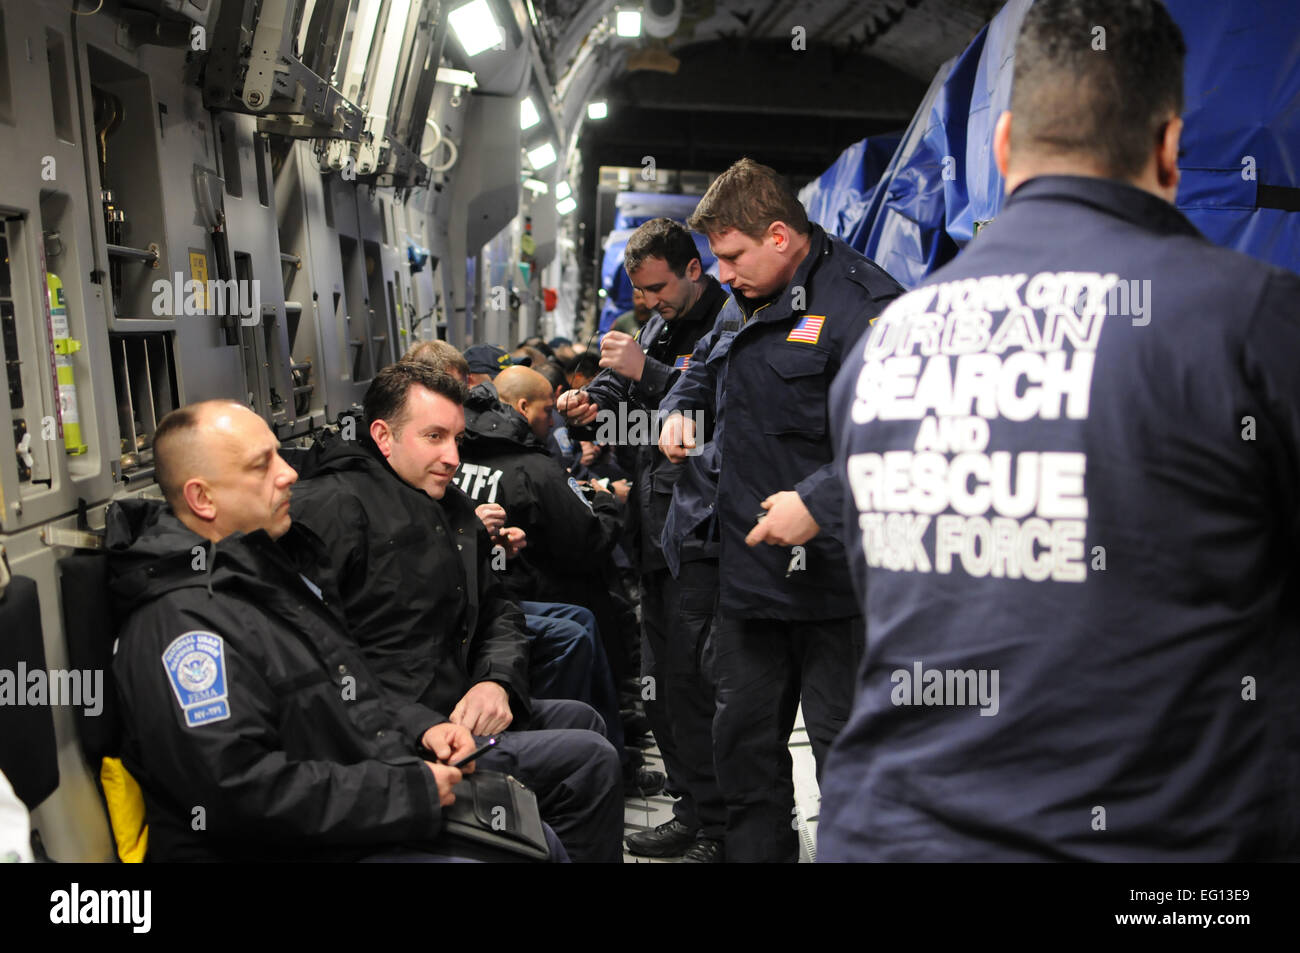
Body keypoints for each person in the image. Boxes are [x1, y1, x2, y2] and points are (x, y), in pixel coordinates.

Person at [820, 0, 1300, 862]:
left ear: (1002, 149)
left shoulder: (884, 343)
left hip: (887, 838)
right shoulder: (1251, 320)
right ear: (1169, 150)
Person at [106, 400, 565, 862]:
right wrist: (407, 791)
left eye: (279, 456)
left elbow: (343, 687)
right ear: (202, 499)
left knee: (539, 832)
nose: (287, 474)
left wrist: (423, 727)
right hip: (290, 845)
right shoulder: (182, 627)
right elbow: (238, 793)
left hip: (351, 803)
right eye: (261, 466)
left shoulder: (262, 571)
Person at [657, 158, 904, 862]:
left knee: (849, 763)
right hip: (749, 579)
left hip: (838, 589)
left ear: (778, 235)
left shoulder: (867, 308)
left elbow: (905, 437)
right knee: (746, 764)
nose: (723, 274)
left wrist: (819, 502)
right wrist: (680, 409)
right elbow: (706, 361)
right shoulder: (748, 296)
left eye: (732, 256)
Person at [290, 364, 624, 862]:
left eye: (457, 438)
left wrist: (497, 681)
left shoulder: (450, 506)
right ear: (383, 435)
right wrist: (420, 724)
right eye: (433, 437)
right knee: (588, 760)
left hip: (456, 701)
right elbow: (320, 663)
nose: (452, 457)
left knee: (584, 720)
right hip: (402, 736)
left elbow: (499, 605)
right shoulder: (332, 511)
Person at [558, 217, 729, 861]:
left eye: (658, 287)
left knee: (699, 683)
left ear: (693, 268)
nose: (650, 302)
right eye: (640, 293)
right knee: (661, 683)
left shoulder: (729, 323)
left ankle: (722, 826)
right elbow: (633, 418)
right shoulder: (656, 323)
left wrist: (649, 370)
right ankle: (692, 807)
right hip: (654, 531)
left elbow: (723, 418)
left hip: (702, 535)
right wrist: (593, 408)